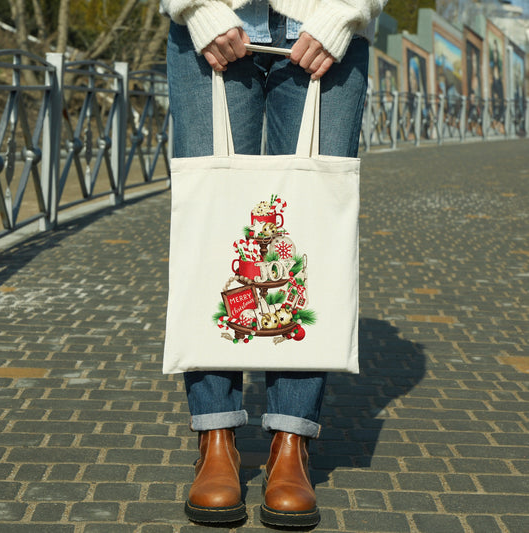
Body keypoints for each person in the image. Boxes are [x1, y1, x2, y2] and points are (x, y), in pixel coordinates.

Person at [160, 0, 387, 527]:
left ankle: (292, 443)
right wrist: (195, 9)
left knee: (309, 239)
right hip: (209, 24)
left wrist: (345, 13)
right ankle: (215, 439)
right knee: (211, 235)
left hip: (327, 28)